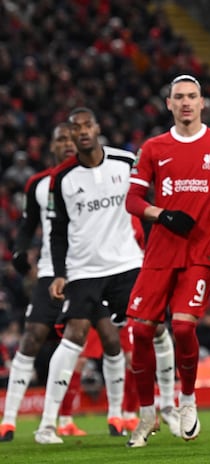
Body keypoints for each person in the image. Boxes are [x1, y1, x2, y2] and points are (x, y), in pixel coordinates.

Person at [123, 75, 210, 448]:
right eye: (178, 97)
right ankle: (147, 414)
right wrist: (160, 215)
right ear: (168, 104)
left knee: (182, 328)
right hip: (159, 253)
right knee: (141, 332)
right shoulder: (153, 147)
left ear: (202, 103)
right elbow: (132, 200)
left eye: (191, 97)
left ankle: (188, 400)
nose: (185, 103)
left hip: (201, 252)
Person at [32, 108, 145, 445]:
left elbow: (145, 209)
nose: (80, 133)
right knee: (76, 340)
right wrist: (60, 272)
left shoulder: (125, 163)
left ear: (97, 128)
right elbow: (57, 231)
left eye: (86, 126)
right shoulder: (59, 180)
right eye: (74, 129)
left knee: (135, 337)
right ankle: (51, 422)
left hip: (124, 268)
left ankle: (137, 412)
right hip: (83, 272)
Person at [0, 123, 87, 442]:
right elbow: (27, 226)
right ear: (50, 145)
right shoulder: (37, 184)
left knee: (85, 341)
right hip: (51, 270)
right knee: (33, 336)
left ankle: (58, 421)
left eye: (72, 138)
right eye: (60, 138)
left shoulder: (92, 177)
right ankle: (8, 420)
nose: (67, 143)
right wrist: (20, 251)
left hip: (88, 271)